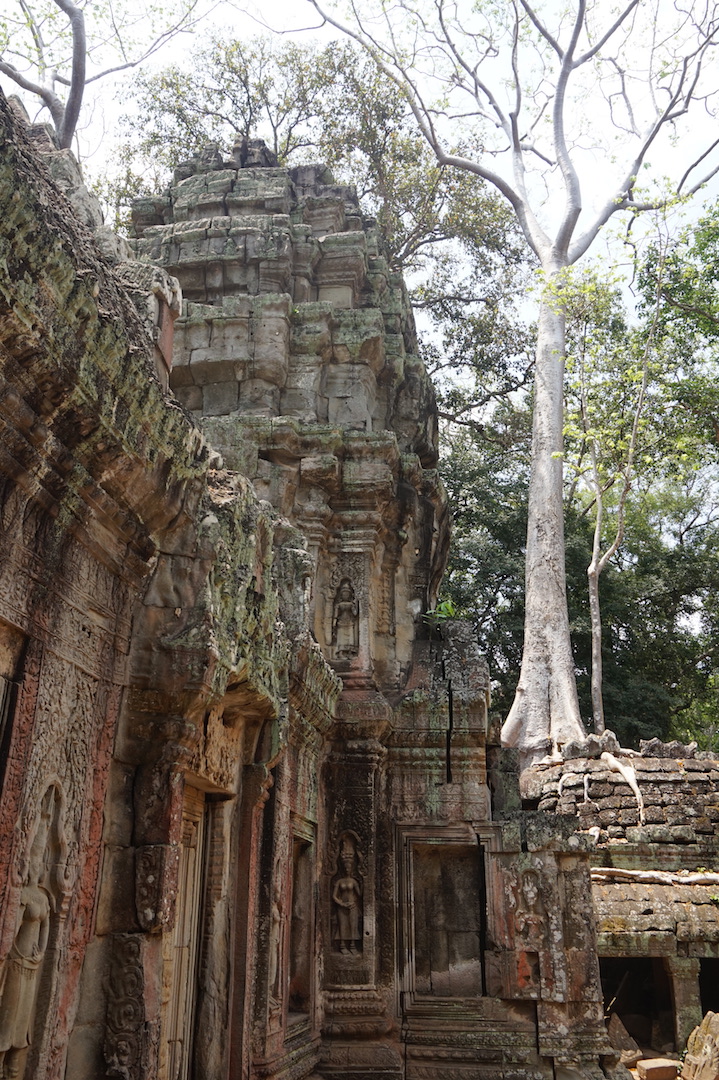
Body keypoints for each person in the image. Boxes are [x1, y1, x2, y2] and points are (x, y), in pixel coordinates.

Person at [0, 824, 51, 1079]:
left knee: (23, 1029)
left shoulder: (42, 897)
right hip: (16, 963)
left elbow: (45, 929)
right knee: (6, 1025)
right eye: (32, 861)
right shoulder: (23, 897)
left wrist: (41, 952)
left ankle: (14, 1073)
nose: (36, 866)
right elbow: (12, 928)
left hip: (32, 965)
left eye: (40, 862)